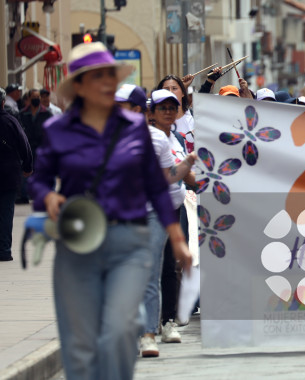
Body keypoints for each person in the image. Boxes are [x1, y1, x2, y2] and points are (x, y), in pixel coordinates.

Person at [27, 43, 191, 380]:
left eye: (109, 76)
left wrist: (177, 237)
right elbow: (38, 183)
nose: (104, 83)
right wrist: (49, 199)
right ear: (79, 86)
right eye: (95, 77)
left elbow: (156, 185)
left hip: (128, 241)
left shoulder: (135, 131)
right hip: (79, 241)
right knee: (80, 342)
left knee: (119, 331)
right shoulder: (57, 131)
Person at [150, 89, 197, 346]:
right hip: (151, 211)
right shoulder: (151, 139)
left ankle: (167, 321)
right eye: (162, 108)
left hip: (174, 208)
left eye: (172, 107)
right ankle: (148, 324)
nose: (168, 111)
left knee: (169, 267)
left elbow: (186, 176)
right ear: (152, 112)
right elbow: (169, 175)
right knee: (151, 267)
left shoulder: (176, 138)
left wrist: (213, 184)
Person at [0, 87, 33, 262]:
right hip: (8, 175)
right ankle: (4, 250)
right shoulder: (11, 121)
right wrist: (28, 166)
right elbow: (24, 144)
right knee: (6, 212)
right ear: (3, 102)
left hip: (7, 174)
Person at [18, 89, 53, 204]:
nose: (36, 99)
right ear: (28, 99)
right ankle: (24, 195)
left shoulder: (46, 113)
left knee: (44, 171)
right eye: (34, 97)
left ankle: (46, 194)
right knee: (26, 170)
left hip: (42, 146)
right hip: (27, 146)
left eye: (38, 97)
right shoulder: (22, 114)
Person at [156, 75, 195, 152]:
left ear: (183, 93)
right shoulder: (154, 123)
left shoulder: (195, 118)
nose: (170, 92)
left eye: (174, 88)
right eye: (166, 89)